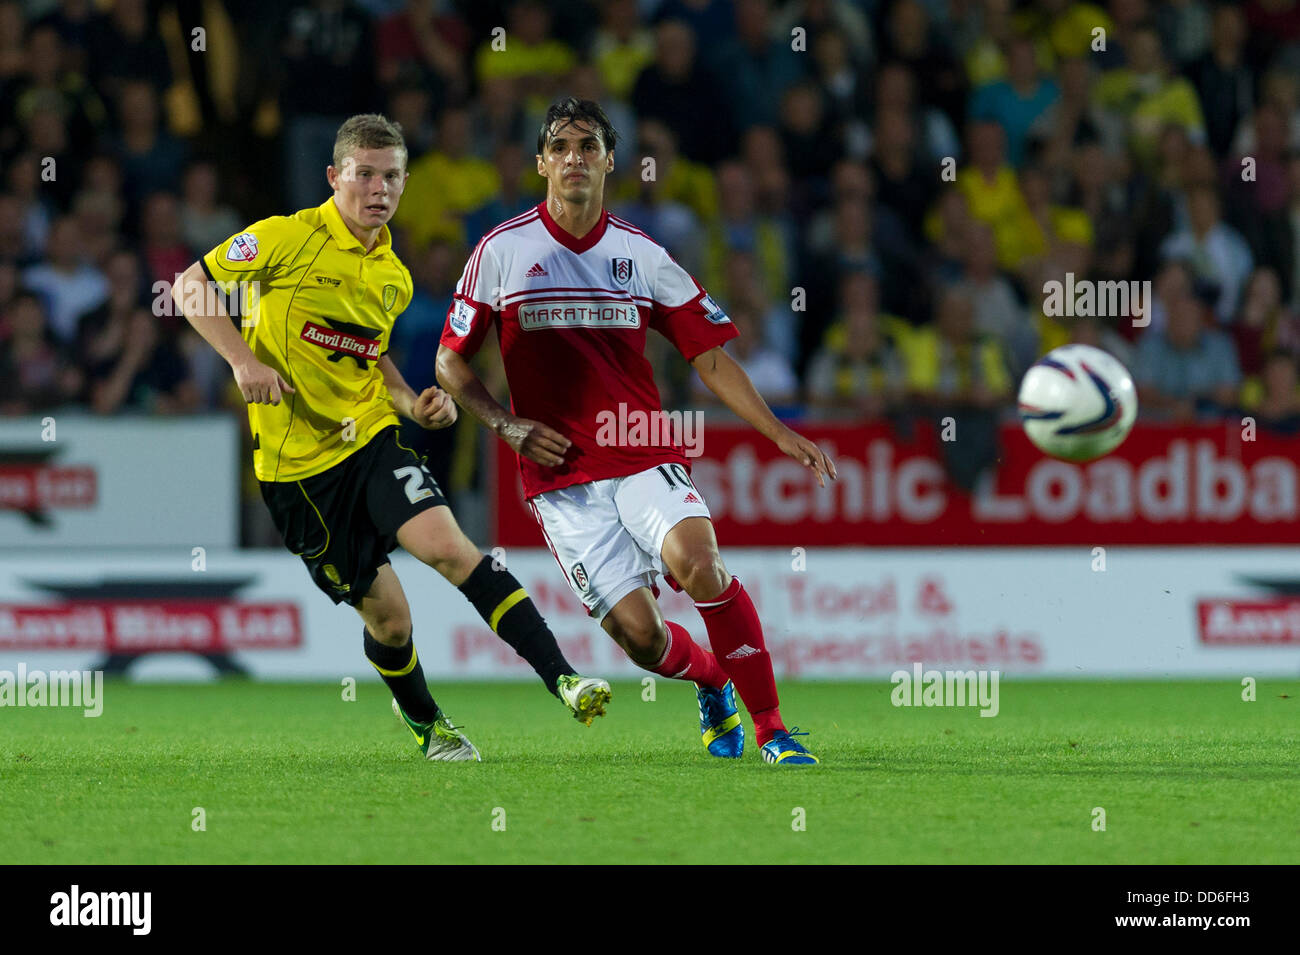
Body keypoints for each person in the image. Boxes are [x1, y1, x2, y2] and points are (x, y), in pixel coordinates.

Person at [171, 113, 610, 762]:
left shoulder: (392, 275)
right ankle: (427, 720)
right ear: (334, 177)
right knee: (392, 621)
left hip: (371, 442)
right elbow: (190, 286)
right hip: (299, 473)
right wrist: (242, 360)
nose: (380, 189)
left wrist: (410, 400)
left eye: (393, 177)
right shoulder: (285, 238)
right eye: (366, 175)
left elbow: (369, 355)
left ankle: (566, 679)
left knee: (453, 549)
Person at [436, 98, 837, 766]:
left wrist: (775, 430)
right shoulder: (500, 252)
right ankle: (712, 681)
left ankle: (773, 729)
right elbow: (450, 361)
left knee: (702, 565)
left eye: (588, 146)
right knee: (642, 638)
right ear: (540, 162)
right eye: (560, 147)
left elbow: (707, 354)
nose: (574, 159)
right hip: (561, 476)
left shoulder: (641, 255)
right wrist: (505, 424)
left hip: (640, 446)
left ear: (610, 161)